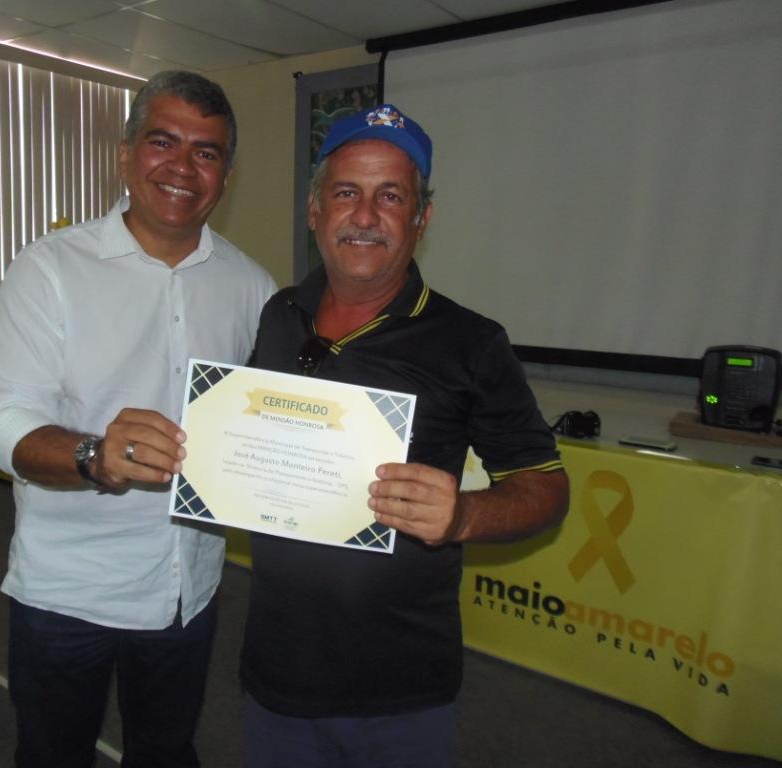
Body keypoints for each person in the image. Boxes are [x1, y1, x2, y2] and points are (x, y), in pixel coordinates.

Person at [240, 104, 570, 768]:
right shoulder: (279, 314)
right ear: (315, 211)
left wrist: (465, 515)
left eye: (391, 196)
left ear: (422, 218)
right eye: (346, 192)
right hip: (276, 671)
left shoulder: (472, 342)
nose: (365, 215)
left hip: (401, 690)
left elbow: (546, 488)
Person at [0, 70, 276, 768]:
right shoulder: (48, 269)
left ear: (225, 177)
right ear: (125, 154)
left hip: (186, 590)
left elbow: (261, 426)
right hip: (67, 590)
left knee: (166, 753)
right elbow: (1, 416)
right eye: (163, 142)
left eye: (206, 152)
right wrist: (92, 457)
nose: (182, 167)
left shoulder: (253, 287)